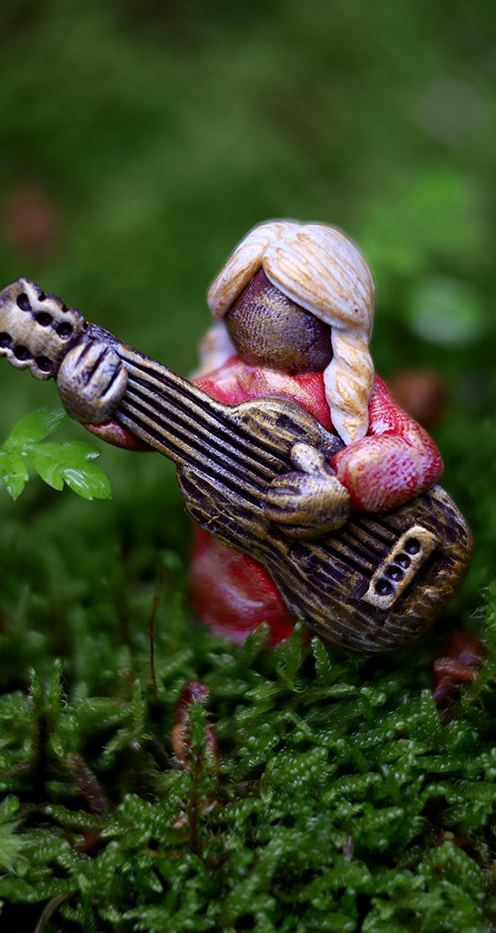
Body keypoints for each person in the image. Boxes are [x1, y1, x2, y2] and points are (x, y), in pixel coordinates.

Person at [60, 221, 444, 643]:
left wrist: (344, 489)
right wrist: (99, 406)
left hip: (344, 581)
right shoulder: (224, 389)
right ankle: (234, 635)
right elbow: (150, 426)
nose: (263, 316)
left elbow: (417, 455)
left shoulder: (351, 394)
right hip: (233, 582)